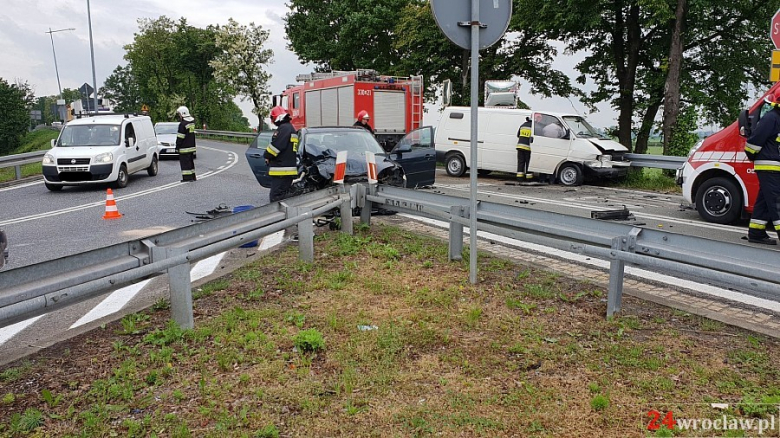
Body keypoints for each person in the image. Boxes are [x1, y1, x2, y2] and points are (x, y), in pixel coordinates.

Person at [744, 91, 780, 245]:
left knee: (765, 200)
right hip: (769, 166)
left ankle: (756, 233)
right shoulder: (771, 118)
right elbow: (753, 143)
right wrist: (753, 156)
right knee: (777, 202)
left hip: (774, 167)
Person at [264, 106, 299, 202]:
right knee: (282, 196)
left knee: (276, 198)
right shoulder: (290, 128)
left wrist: (266, 155)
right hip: (287, 170)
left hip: (282, 171)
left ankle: (282, 216)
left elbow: (276, 147)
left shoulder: (284, 129)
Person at [175, 106, 197, 182]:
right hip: (191, 147)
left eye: (179, 114)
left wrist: (177, 147)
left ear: (183, 114)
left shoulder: (182, 124)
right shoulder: (192, 122)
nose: (179, 116)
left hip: (184, 148)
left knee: (185, 163)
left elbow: (180, 137)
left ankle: (187, 178)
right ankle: (193, 176)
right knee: (190, 162)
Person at [516, 116, 533, 181]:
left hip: (520, 146)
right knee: (528, 163)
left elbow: (518, 135)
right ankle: (529, 178)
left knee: (520, 162)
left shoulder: (522, 125)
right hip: (527, 147)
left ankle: (519, 177)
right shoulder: (532, 127)